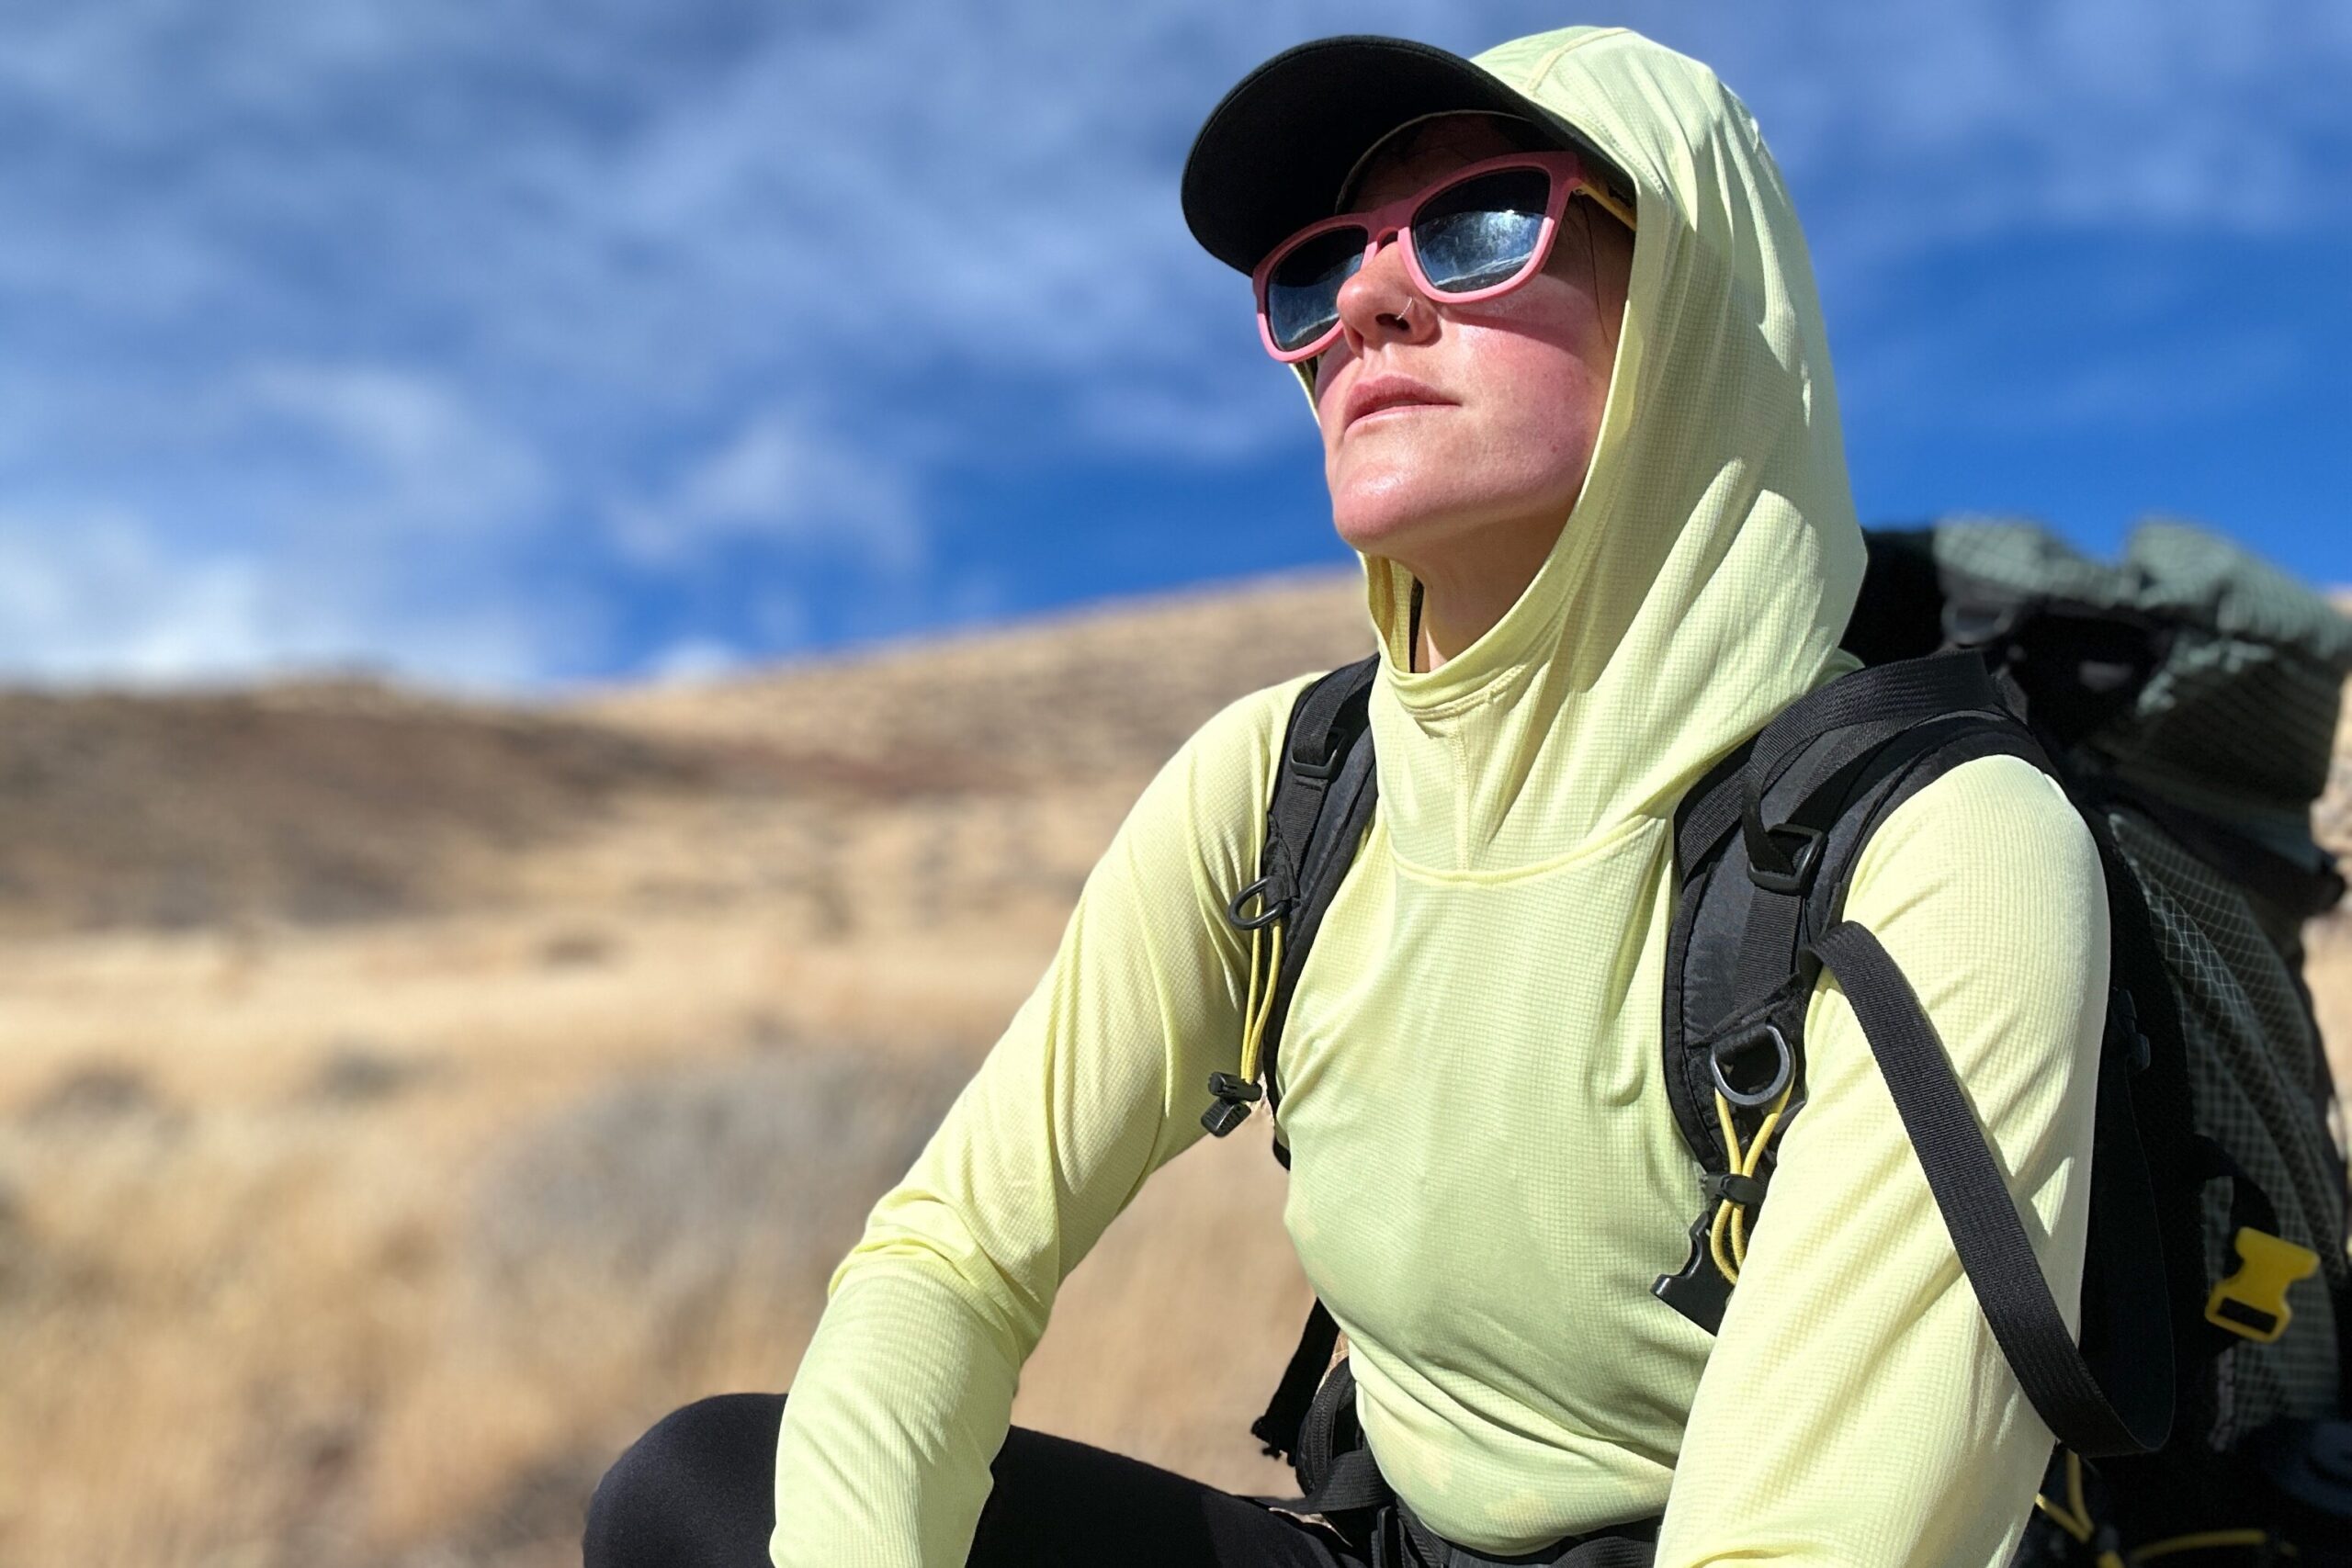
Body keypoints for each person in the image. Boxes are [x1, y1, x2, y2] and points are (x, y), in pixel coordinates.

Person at [584, 24, 2109, 1568]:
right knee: (710, 1496)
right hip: (1393, 1546)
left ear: (1691, 298)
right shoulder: (1282, 792)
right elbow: (948, 1257)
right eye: (1317, 269)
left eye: (1482, 224)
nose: (1367, 302)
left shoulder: (1937, 848)